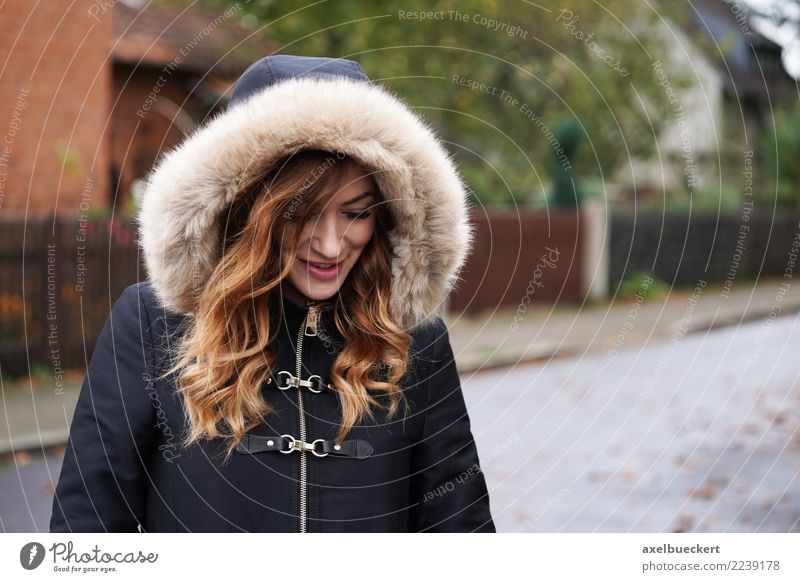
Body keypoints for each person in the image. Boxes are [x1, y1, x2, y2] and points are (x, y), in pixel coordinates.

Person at [49, 54, 494, 533]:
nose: (328, 245)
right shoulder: (153, 326)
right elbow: (88, 526)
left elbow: (460, 530)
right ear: (247, 208)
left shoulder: (414, 344)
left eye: (356, 213)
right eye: (298, 213)